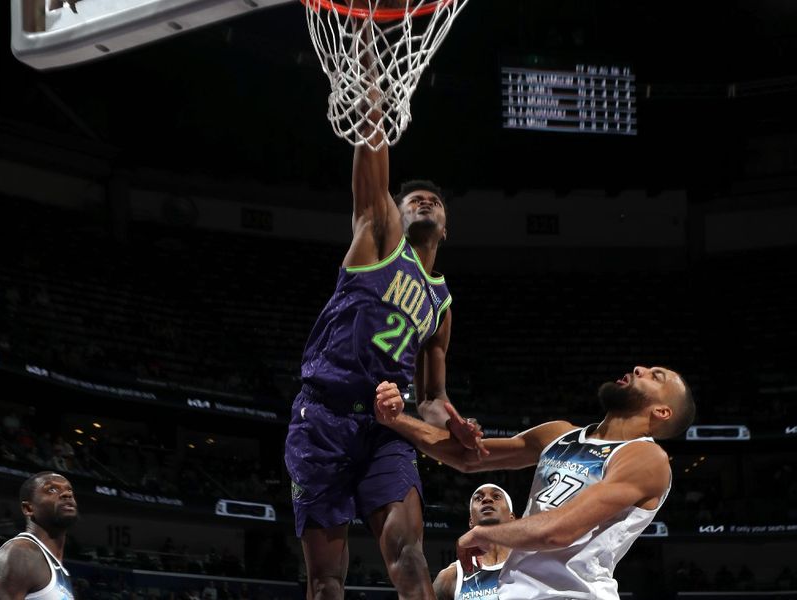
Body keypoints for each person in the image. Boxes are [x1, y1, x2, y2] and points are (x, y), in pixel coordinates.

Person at [284, 76, 481, 599]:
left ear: (446, 228)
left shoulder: (441, 305)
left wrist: (454, 423)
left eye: (434, 203)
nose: (424, 203)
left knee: (410, 555)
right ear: (395, 209)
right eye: (414, 198)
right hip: (322, 418)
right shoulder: (379, 236)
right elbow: (371, 143)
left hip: (386, 426)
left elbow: (433, 399)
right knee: (326, 581)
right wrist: (371, 81)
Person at [375, 365, 696, 600]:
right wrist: (395, 418)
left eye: (656, 376)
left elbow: (561, 530)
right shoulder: (559, 434)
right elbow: (469, 457)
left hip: (574, 595)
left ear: (662, 411)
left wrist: (486, 533)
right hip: (517, 592)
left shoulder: (646, 459)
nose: (639, 368)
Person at [0, 471, 78, 600]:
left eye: (69, 490)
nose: (67, 494)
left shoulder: (60, 570)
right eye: (51, 490)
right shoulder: (20, 553)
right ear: (28, 508)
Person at [433, 484, 514, 600]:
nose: (487, 499)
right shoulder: (451, 576)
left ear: (512, 518)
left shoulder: (530, 562)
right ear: (471, 521)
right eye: (478, 498)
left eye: (496, 497)